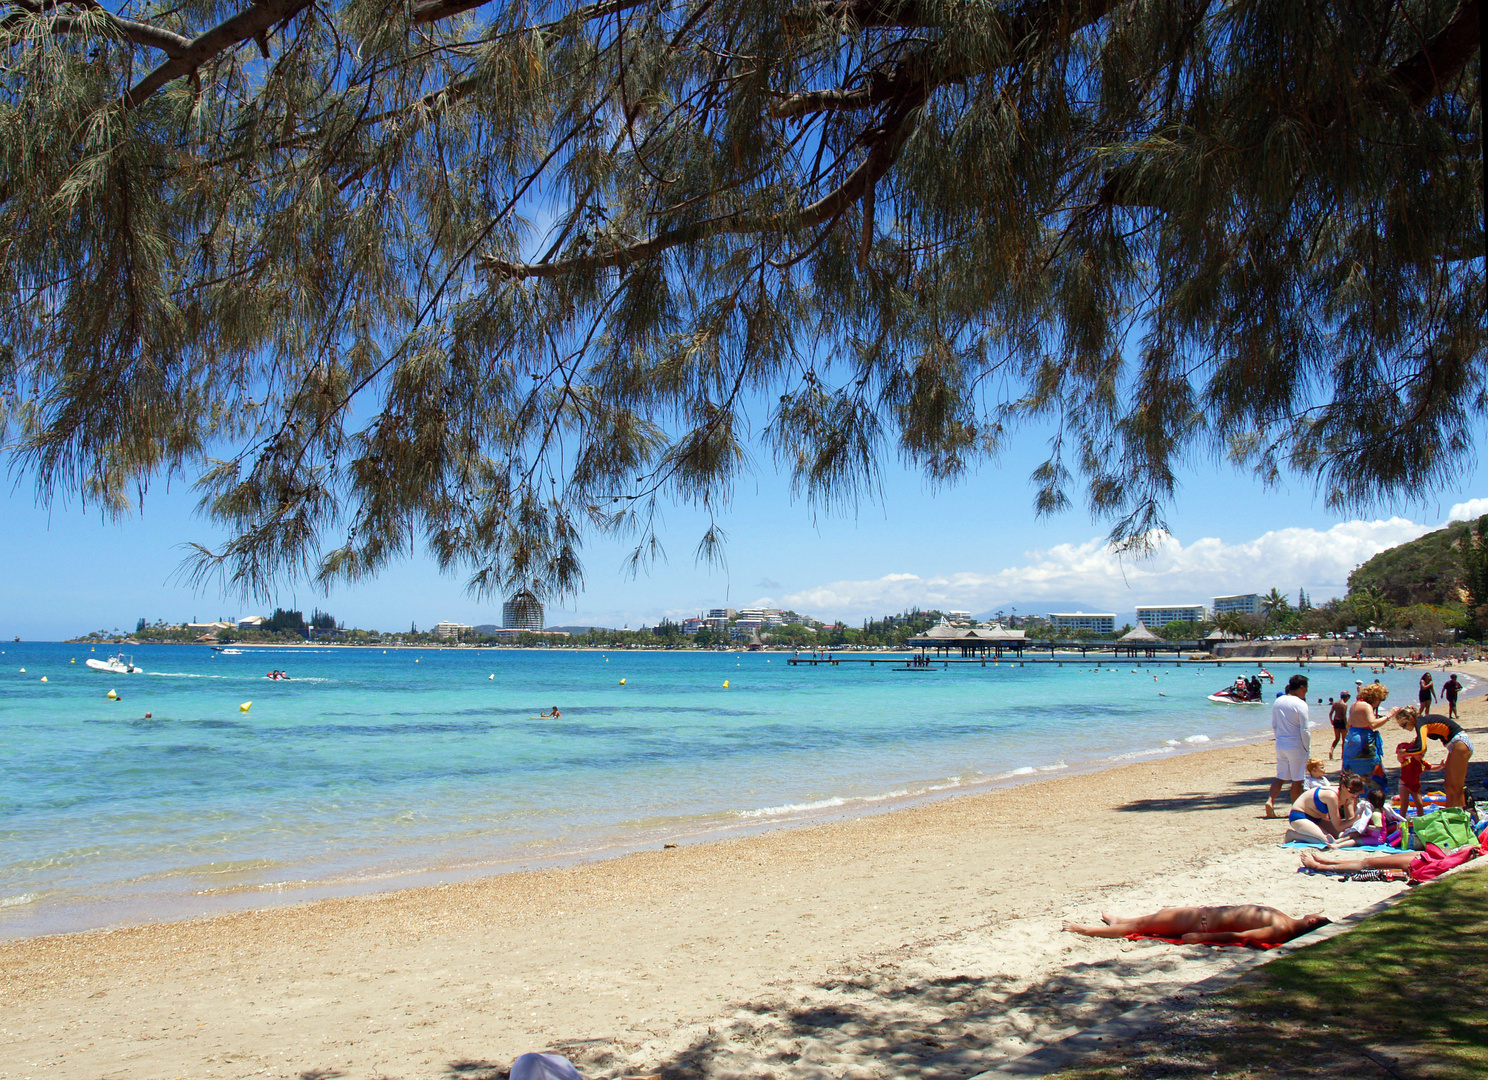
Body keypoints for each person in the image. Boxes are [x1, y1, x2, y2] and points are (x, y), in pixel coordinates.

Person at [1064, 905, 1330, 946]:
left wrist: (1198, 938)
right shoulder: (1285, 921)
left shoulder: (1281, 929)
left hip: (1199, 922)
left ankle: (1084, 930)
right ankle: (1119, 921)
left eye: (1315, 916)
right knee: (1148, 920)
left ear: (1313, 922)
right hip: (1202, 916)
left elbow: (1242, 935)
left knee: (1144, 926)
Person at [1394, 704, 1474, 808]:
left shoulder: (1421, 723)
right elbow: (1419, 743)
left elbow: (1420, 747)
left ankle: (1460, 816)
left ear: (1411, 719)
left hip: (1459, 742)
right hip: (1454, 745)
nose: (1403, 728)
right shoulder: (1421, 723)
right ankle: (1450, 814)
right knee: (1448, 786)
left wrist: (1405, 752)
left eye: (1404, 725)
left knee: (1456, 787)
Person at [1299, 843, 1482, 882]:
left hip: (1431, 861)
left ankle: (1320, 866)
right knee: (1369, 861)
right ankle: (1328, 862)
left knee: (1369, 862)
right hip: (1436, 858)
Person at [1265, 674, 1311, 818]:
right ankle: (1296, 810)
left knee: (1281, 776)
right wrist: (1306, 747)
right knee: (1298, 779)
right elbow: (1304, 729)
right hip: (1296, 744)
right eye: (1306, 689)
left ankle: (1270, 800)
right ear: (1302, 688)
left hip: (1281, 743)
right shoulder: (1301, 704)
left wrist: (1278, 738)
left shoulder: (1278, 701)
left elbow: (1274, 724)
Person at [1284, 773, 1365, 845]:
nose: (1355, 794)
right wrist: (1357, 818)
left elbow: (1349, 821)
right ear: (1343, 787)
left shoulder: (1350, 797)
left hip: (1317, 819)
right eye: (1352, 791)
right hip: (1299, 817)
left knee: (1343, 835)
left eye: (1358, 791)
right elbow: (1339, 826)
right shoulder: (1331, 796)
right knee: (1327, 841)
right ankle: (1293, 834)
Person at [1342, 681, 1393, 791]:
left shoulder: (1354, 705)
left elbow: (1348, 725)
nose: (1379, 703)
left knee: (1352, 775)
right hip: (1363, 742)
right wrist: (1389, 715)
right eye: (1380, 700)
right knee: (1373, 774)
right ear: (1375, 697)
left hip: (1351, 742)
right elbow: (1373, 724)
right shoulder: (1366, 706)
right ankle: (1373, 799)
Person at [1394, 738, 1436, 819]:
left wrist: (1441, 766)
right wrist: (1405, 749)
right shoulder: (1407, 759)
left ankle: (1421, 819)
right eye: (1419, 754)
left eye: (1423, 755)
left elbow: (1431, 767)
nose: (1421, 756)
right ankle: (1402, 820)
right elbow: (1400, 756)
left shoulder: (1422, 762)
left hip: (1415, 786)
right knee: (1404, 805)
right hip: (1404, 785)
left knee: (1420, 804)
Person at [1327, 692, 1350, 758]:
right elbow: (1344, 716)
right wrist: (1346, 724)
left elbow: (1330, 713)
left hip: (1336, 721)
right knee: (1344, 739)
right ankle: (1343, 755)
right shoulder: (1344, 704)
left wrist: (1331, 720)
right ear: (1346, 698)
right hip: (1342, 722)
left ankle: (1331, 750)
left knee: (1337, 738)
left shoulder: (1335, 703)